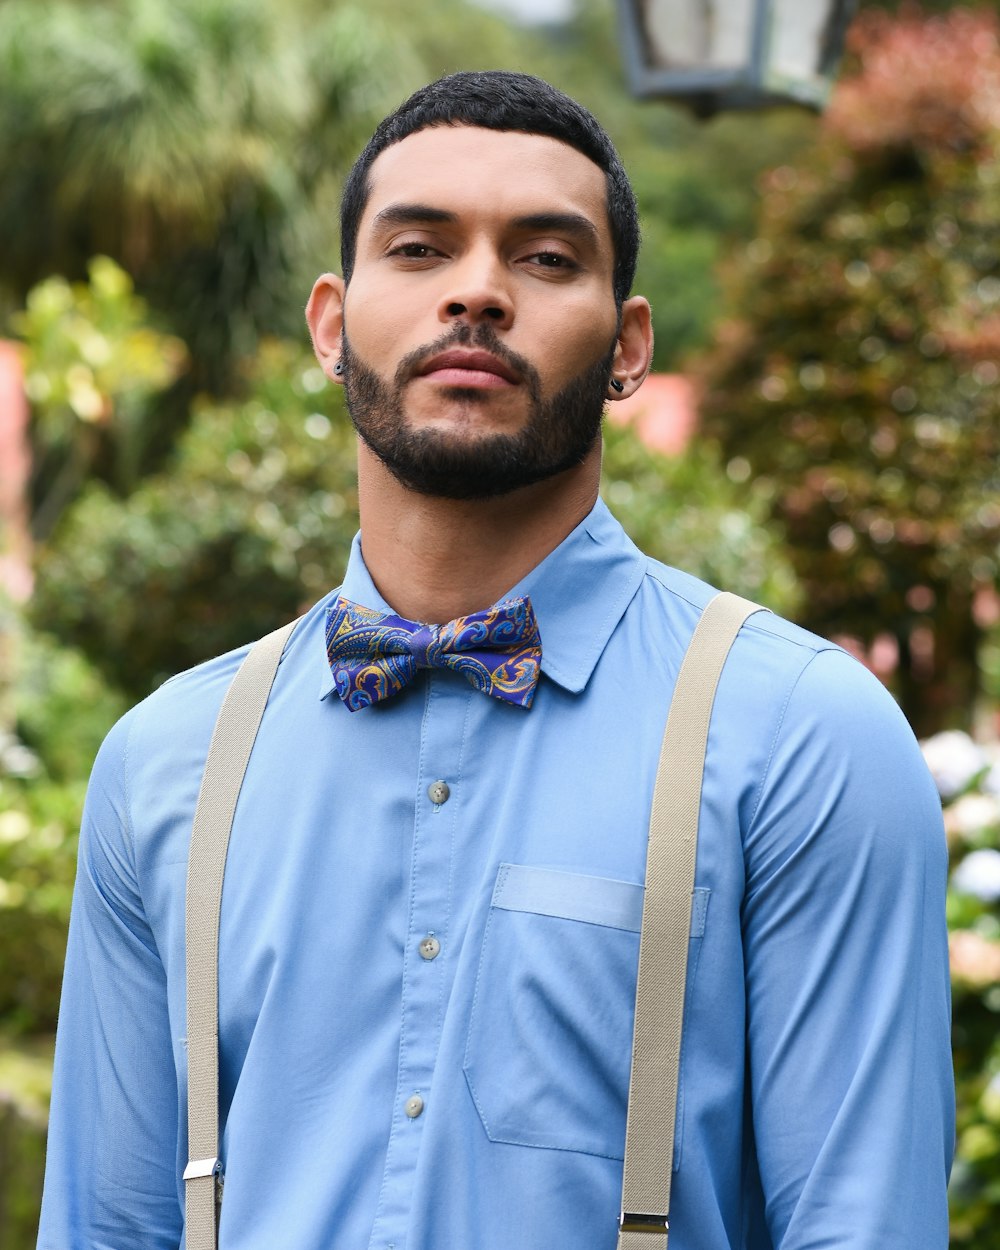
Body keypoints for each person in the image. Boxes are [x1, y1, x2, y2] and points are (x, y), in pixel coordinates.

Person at [38, 71, 954, 1250]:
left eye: (546, 258)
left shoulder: (804, 739)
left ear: (628, 346)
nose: (475, 291)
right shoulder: (164, 760)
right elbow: (106, 1227)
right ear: (330, 322)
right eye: (418, 248)